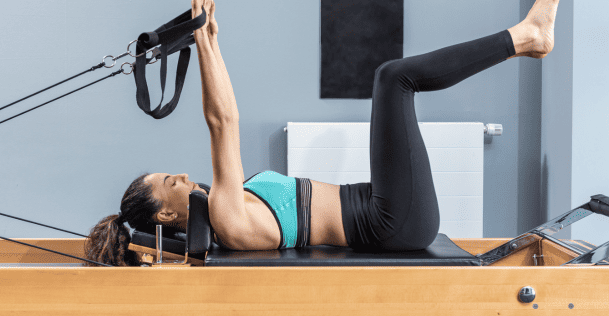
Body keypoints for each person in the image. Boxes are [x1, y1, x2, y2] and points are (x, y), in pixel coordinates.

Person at [84, 0, 559, 267]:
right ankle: (527, 37)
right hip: (393, 221)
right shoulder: (226, 217)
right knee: (393, 79)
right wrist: (206, 40)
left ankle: (528, 37)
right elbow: (222, 121)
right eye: (172, 183)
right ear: (166, 216)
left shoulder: (222, 210)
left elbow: (222, 118)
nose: (183, 176)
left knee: (392, 79)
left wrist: (208, 39)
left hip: (386, 209)